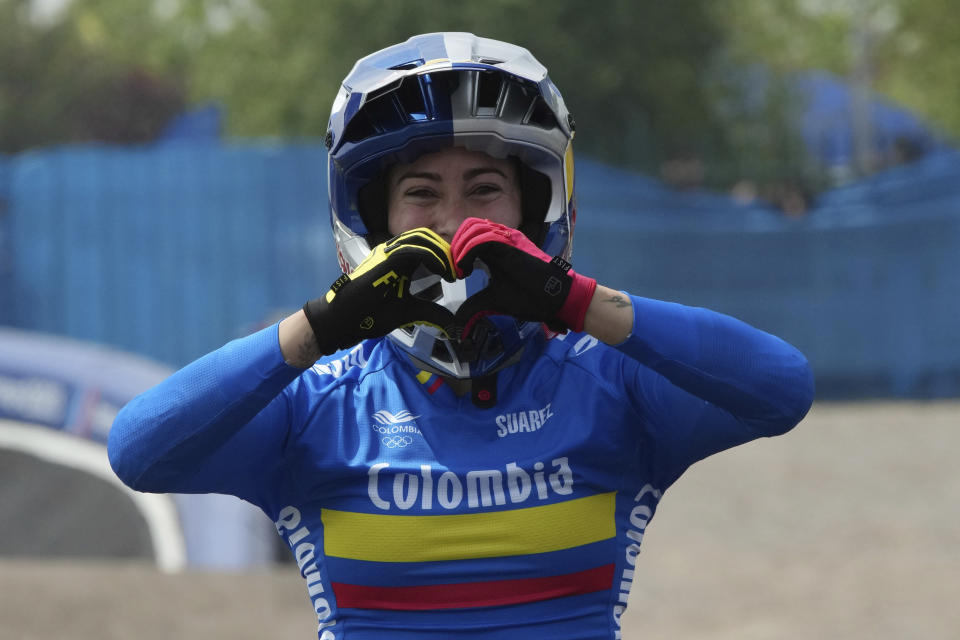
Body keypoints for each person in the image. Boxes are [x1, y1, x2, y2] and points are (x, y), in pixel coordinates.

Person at [108, 32, 814, 640]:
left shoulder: (610, 386)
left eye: (484, 191)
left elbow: (782, 388)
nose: (451, 221)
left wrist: (572, 299)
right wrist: (323, 325)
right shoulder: (318, 406)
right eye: (420, 193)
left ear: (536, 210)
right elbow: (139, 450)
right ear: (375, 220)